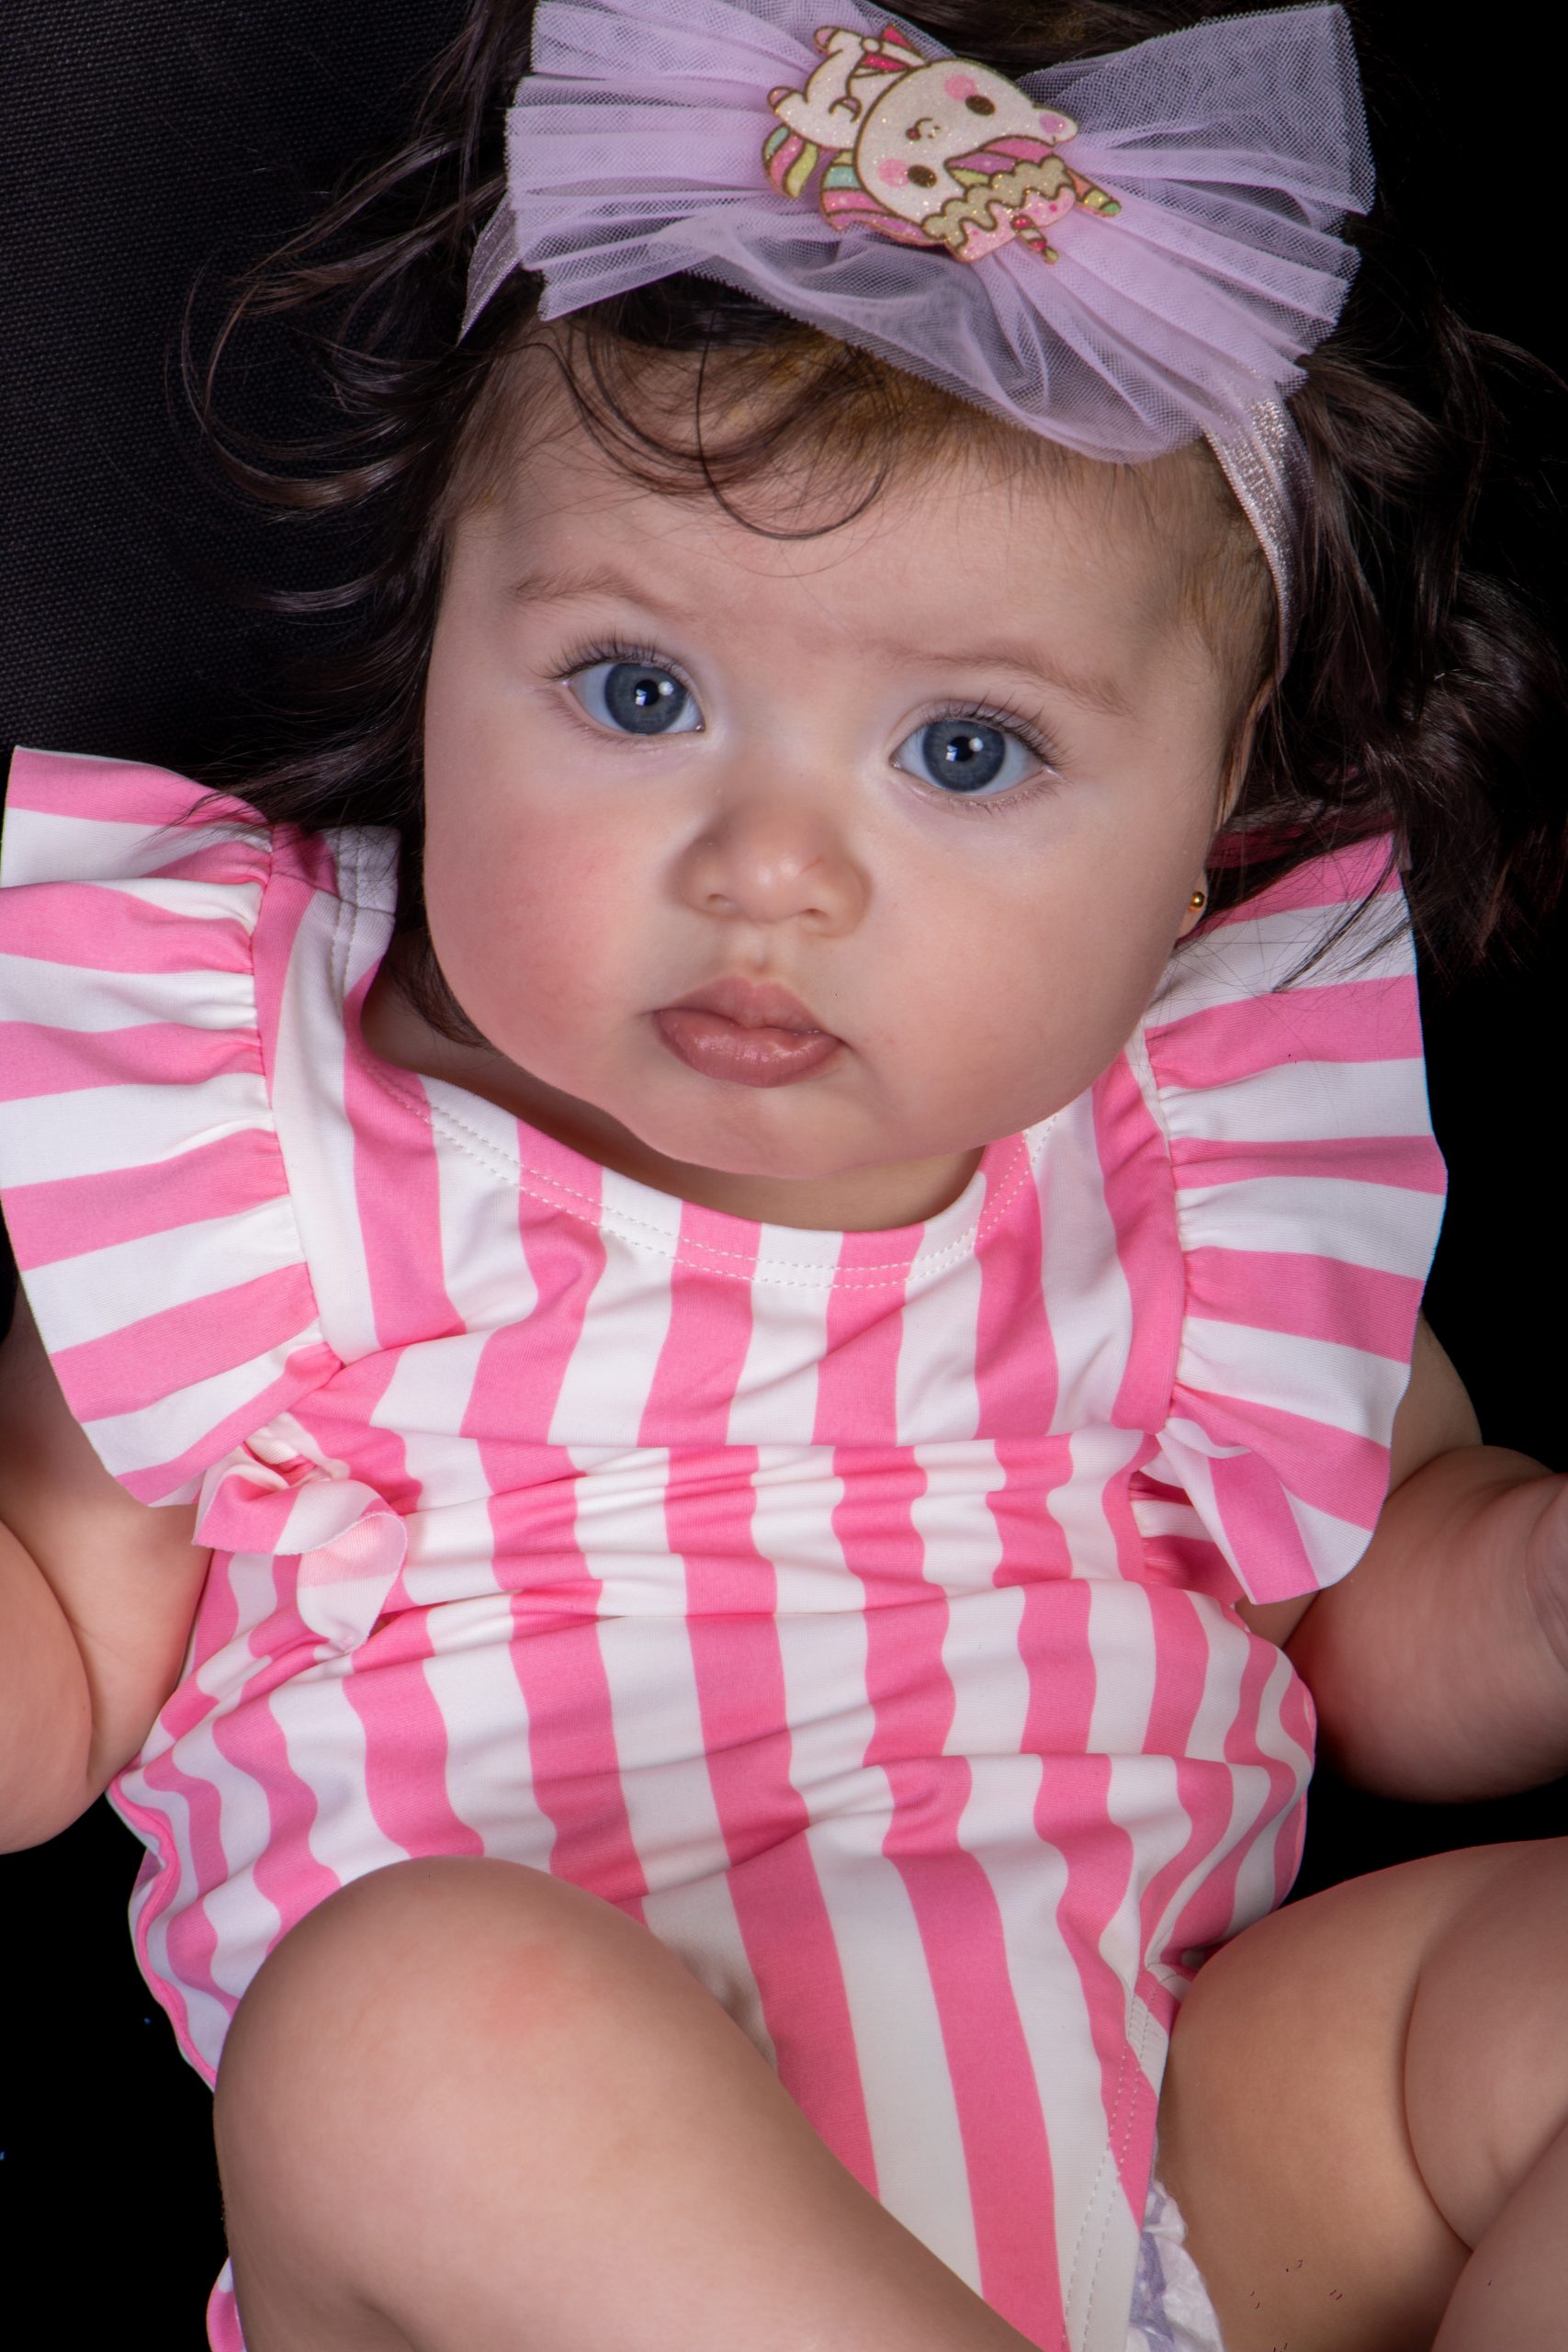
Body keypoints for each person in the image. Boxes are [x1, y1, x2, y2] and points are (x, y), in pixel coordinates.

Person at [0, 2, 1564, 2346]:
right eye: (636, 692)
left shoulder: (1187, 1177)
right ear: (441, 650)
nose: (769, 872)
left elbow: (1377, 1624)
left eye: (966, 750)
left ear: (1201, 817)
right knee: (422, 2022)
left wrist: (1527, 1587)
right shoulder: (257, 1160)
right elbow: (51, 1630)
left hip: (1177, 2166)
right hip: (553, 2271)